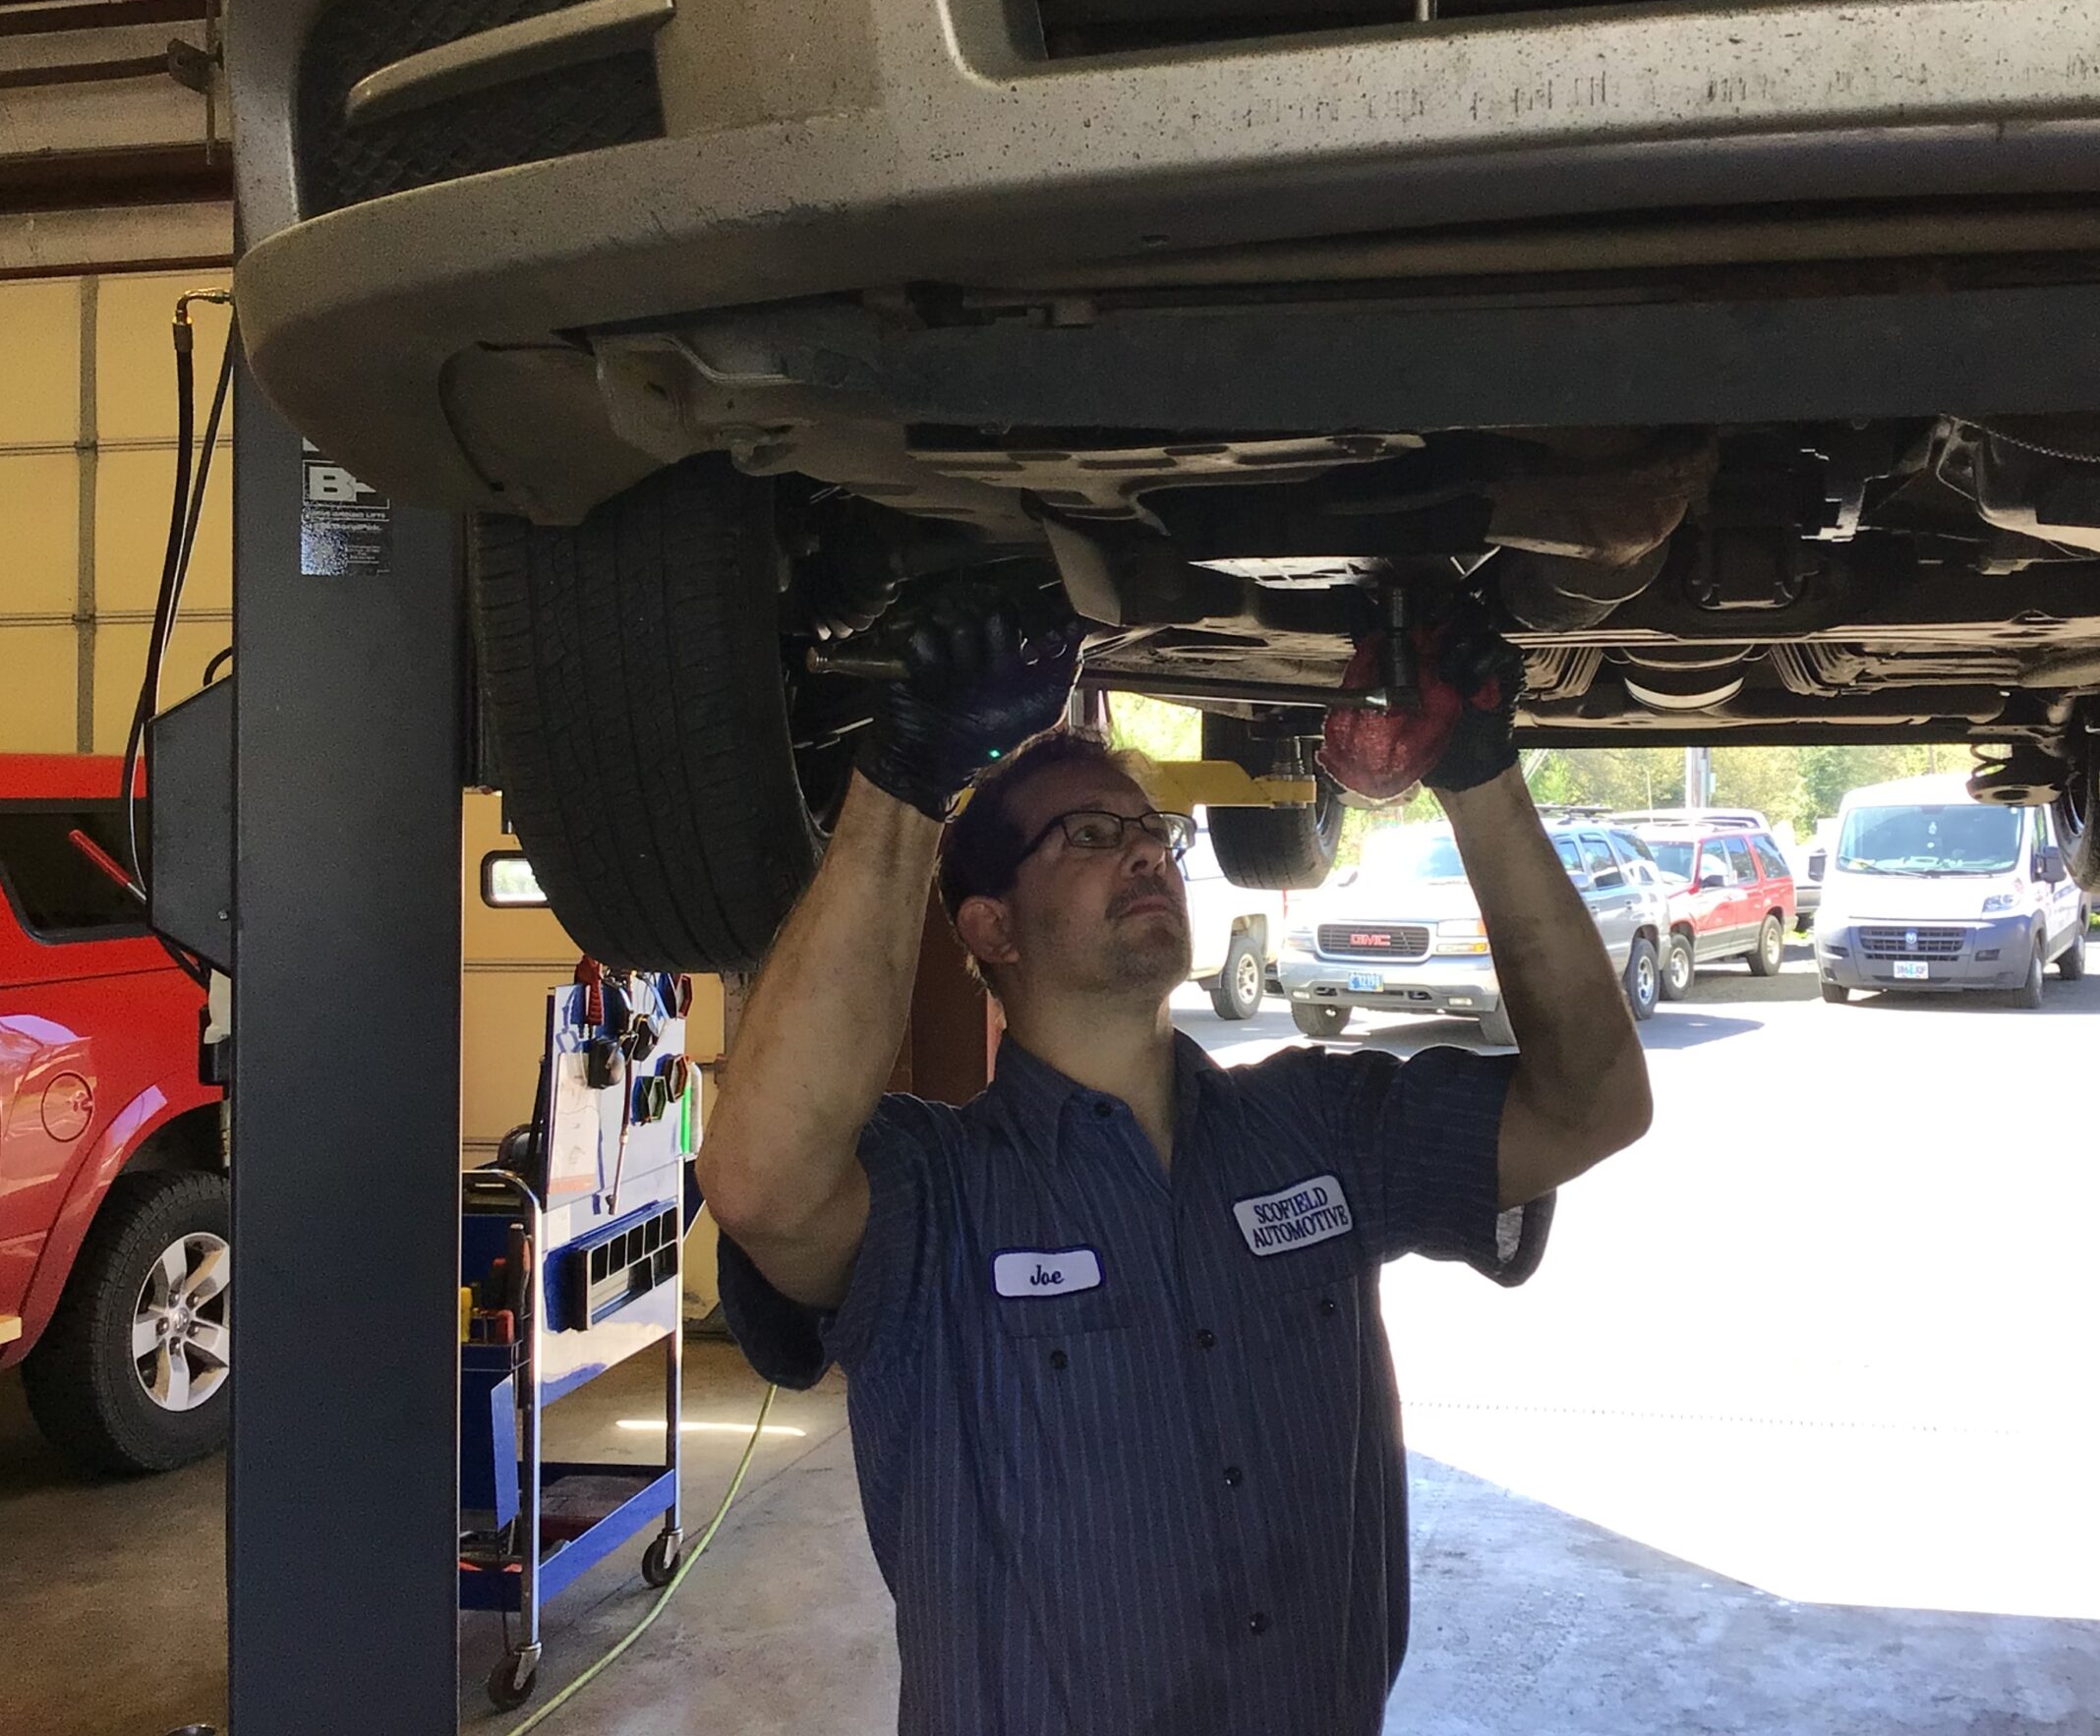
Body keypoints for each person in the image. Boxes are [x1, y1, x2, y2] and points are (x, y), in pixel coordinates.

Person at [697, 585, 1654, 1736]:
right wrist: (902, 782)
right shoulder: (934, 1194)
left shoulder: (1316, 1127)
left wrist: (1481, 778)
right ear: (989, 927)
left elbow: (1592, 1107)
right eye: (1091, 836)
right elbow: (760, 1182)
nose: (1144, 851)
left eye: (1152, 832)